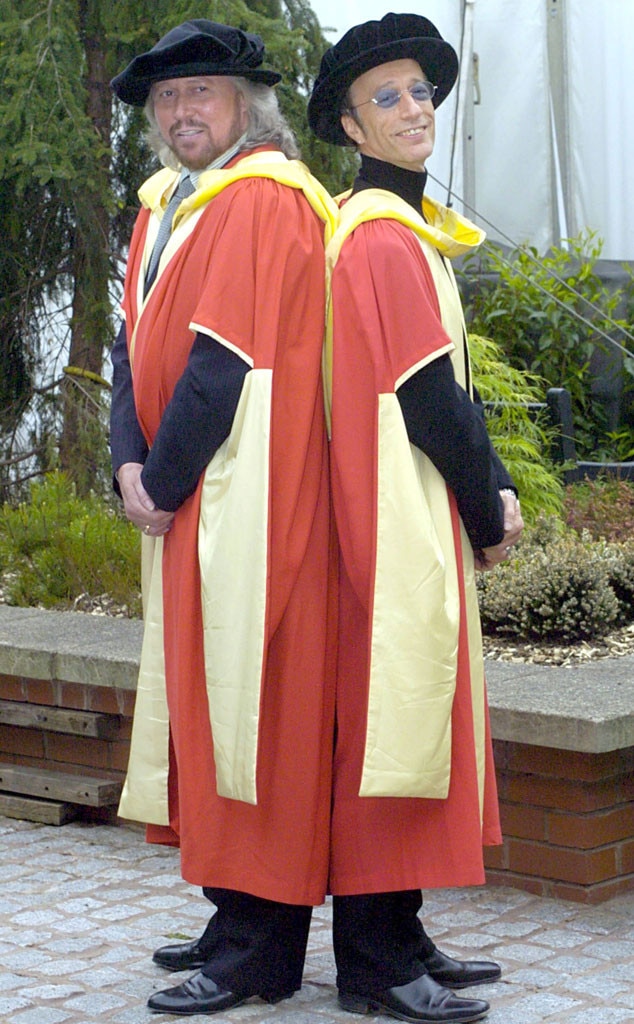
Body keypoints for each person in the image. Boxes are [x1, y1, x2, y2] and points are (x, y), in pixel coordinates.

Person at [109, 15, 521, 1023]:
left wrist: (483, 494)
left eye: (198, 91)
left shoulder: (316, 218)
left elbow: (404, 393)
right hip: (253, 502)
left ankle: (342, 942)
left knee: (317, 722)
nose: (178, 109)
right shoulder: (210, 206)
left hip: (283, 503)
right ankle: (274, 937)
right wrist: (137, 466)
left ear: (247, 107)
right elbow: (134, 347)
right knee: (279, 718)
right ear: (347, 121)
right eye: (166, 98)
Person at [306, 11, 524, 1022]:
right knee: (391, 729)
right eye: (385, 97)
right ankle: (375, 966)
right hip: (391, 528)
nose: (413, 108)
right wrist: (490, 508)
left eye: (420, 91)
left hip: (397, 515)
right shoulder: (383, 241)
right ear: (350, 132)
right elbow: (434, 401)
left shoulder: (393, 233)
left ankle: (404, 933)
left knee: (404, 722)